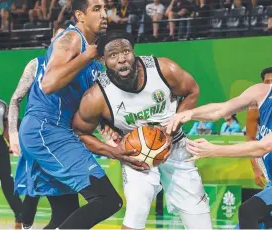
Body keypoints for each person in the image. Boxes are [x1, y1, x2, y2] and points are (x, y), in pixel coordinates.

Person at [72, 30, 212, 229]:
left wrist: (171, 130)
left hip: (176, 146)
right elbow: (80, 132)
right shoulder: (96, 96)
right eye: (113, 55)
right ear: (103, 59)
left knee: (199, 220)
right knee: (136, 209)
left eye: (126, 52)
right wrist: (115, 152)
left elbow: (192, 91)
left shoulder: (164, 68)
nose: (122, 59)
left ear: (133, 51)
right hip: (134, 155)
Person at [14, 1, 134, 229]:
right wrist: (86, 57)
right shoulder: (72, 39)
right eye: (96, 9)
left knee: (64, 215)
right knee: (108, 200)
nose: (104, 14)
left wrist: (115, 135)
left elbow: (93, 113)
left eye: (105, 8)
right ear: (80, 15)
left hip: (55, 131)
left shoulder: (93, 60)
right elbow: (48, 84)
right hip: (45, 129)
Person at [164, 80, 272, 229]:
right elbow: (222, 109)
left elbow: (263, 147)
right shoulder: (263, 91)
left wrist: (213, 150)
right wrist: (190, 113)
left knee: (249, 211)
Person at [8, 24, 81, 230]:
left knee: (69, 212)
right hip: (42, 139)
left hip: (65, 142)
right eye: (59, 39)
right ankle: (25, 226)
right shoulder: (36, 65)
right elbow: (15, 100)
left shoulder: (78, 70)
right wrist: (13, 134)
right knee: (50, 205)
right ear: (51, 42)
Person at [0, 80, 23, 229]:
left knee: (7, 180)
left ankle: (20, 213)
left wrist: (10, 142)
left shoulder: (2, 104)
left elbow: (6, 126)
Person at [246, 67, 272, 189]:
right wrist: (255, 168)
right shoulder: (255, 106)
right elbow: (250, 138)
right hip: (267, 159)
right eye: (267, 82)